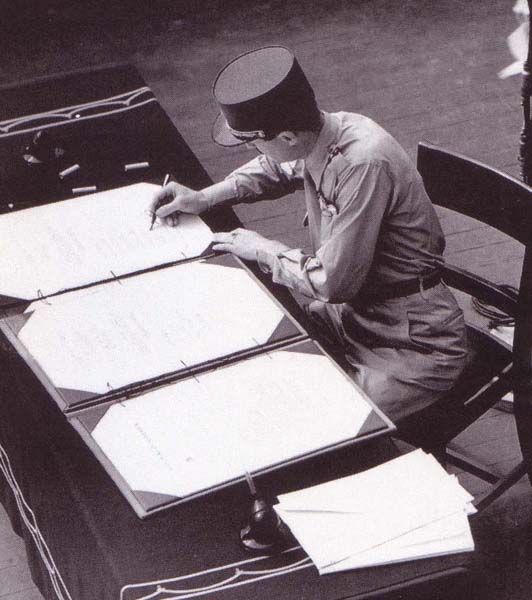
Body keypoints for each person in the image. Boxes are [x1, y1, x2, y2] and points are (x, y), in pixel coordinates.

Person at [150, 46, 468, 423]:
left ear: (286, 136)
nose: (254, 150)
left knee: (319, 421)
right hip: (358, 316)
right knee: (259, 353)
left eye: (253, 141)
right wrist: (204, 198)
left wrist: (264, 250)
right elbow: (277, 167)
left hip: (414, 343)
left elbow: (333, 283)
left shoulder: (361, 162)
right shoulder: (323, 131)